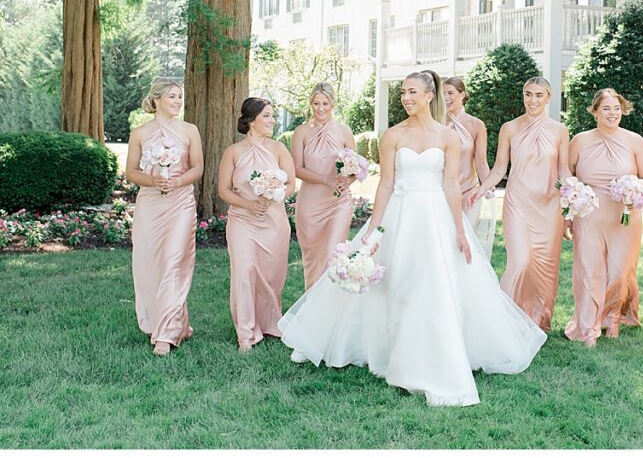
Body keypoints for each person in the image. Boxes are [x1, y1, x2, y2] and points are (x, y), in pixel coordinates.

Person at [279, 70, 547, 407]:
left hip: (435, 218)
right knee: (396, 282)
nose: (406, 98)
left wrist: (460, 229)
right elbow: (386, 184)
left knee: (432, 284)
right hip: (400, 215)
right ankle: (385, 347)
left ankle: (430, 353)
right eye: (403, 93)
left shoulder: (447, 137)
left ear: (429, 95)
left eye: (412, 92)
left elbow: (451, 184)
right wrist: (374, 229)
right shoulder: (392, 136)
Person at [467, 77, 569, 332]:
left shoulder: (560, 131)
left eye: (538, 95)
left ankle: (538, 321)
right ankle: (504, 320)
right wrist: (482, 188)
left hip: (549, 206)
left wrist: (573, 198)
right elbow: (501, 167)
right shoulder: (509, 128)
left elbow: (564, 169)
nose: (532, 100)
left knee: (545, 266)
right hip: (518, 203)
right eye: (528, 94)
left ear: (548, 98)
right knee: (520, 261)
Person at [563, 89, 643, 347]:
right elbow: (569, 177)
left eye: (616, 108)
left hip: (623, 215)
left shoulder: (635, 141)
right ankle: (588, 325)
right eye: (606, 108)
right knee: (590, 269)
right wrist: (568, 214)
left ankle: (613, 315)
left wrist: (634, 190)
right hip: (589, 214)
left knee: (619, 270)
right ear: (594, 111)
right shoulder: (580, 141)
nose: (612, 113)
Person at [126, 78, 203, 356]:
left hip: (180, 203)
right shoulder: (140, 133)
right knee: (149, 264)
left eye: (179, 97)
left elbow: (197, 167)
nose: (178, 101)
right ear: (156, 100)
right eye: (172, 97)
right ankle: (170, 322)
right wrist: (152, 181)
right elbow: (131, 172)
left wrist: (177, 183)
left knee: (174, 261)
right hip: (150, 203)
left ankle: (166, 334)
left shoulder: (189, 130)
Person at [218, 97, 296, 352]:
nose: (272, 120)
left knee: (272, 275)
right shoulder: (233, 152)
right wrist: (248, 204)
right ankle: (246, 333)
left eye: (273, 116)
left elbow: (291, 184)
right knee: (244, 272)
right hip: (242, 221)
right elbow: (223, 190)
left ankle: (271, 323)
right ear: (251, 120)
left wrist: (274, 194)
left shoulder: (279, 149)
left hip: (274, 222)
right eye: (267, 116)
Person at [291, 83, 356, 288]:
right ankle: (313, 306)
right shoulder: (301, 132)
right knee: (312, 259)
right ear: (311, 104)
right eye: (316, 103)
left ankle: (333, 309)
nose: (320, 108)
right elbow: (297, 169)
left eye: (325, 103)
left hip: (339, 202)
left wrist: (349, 179)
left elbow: (355, 167)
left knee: (333, 256)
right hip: (310, 204)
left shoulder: (344, 132)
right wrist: (326, 179)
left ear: (333, 104)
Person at [442, 76, 495, 258]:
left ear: (462, 94)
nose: (446, 97)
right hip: (441, 192)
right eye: (442, 94)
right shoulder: (436, 124)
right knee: (444, 240)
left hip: (469, 193)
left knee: (466, 241)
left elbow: (480, 162)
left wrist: (487, 184)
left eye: (450, 93)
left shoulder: (476, 125)